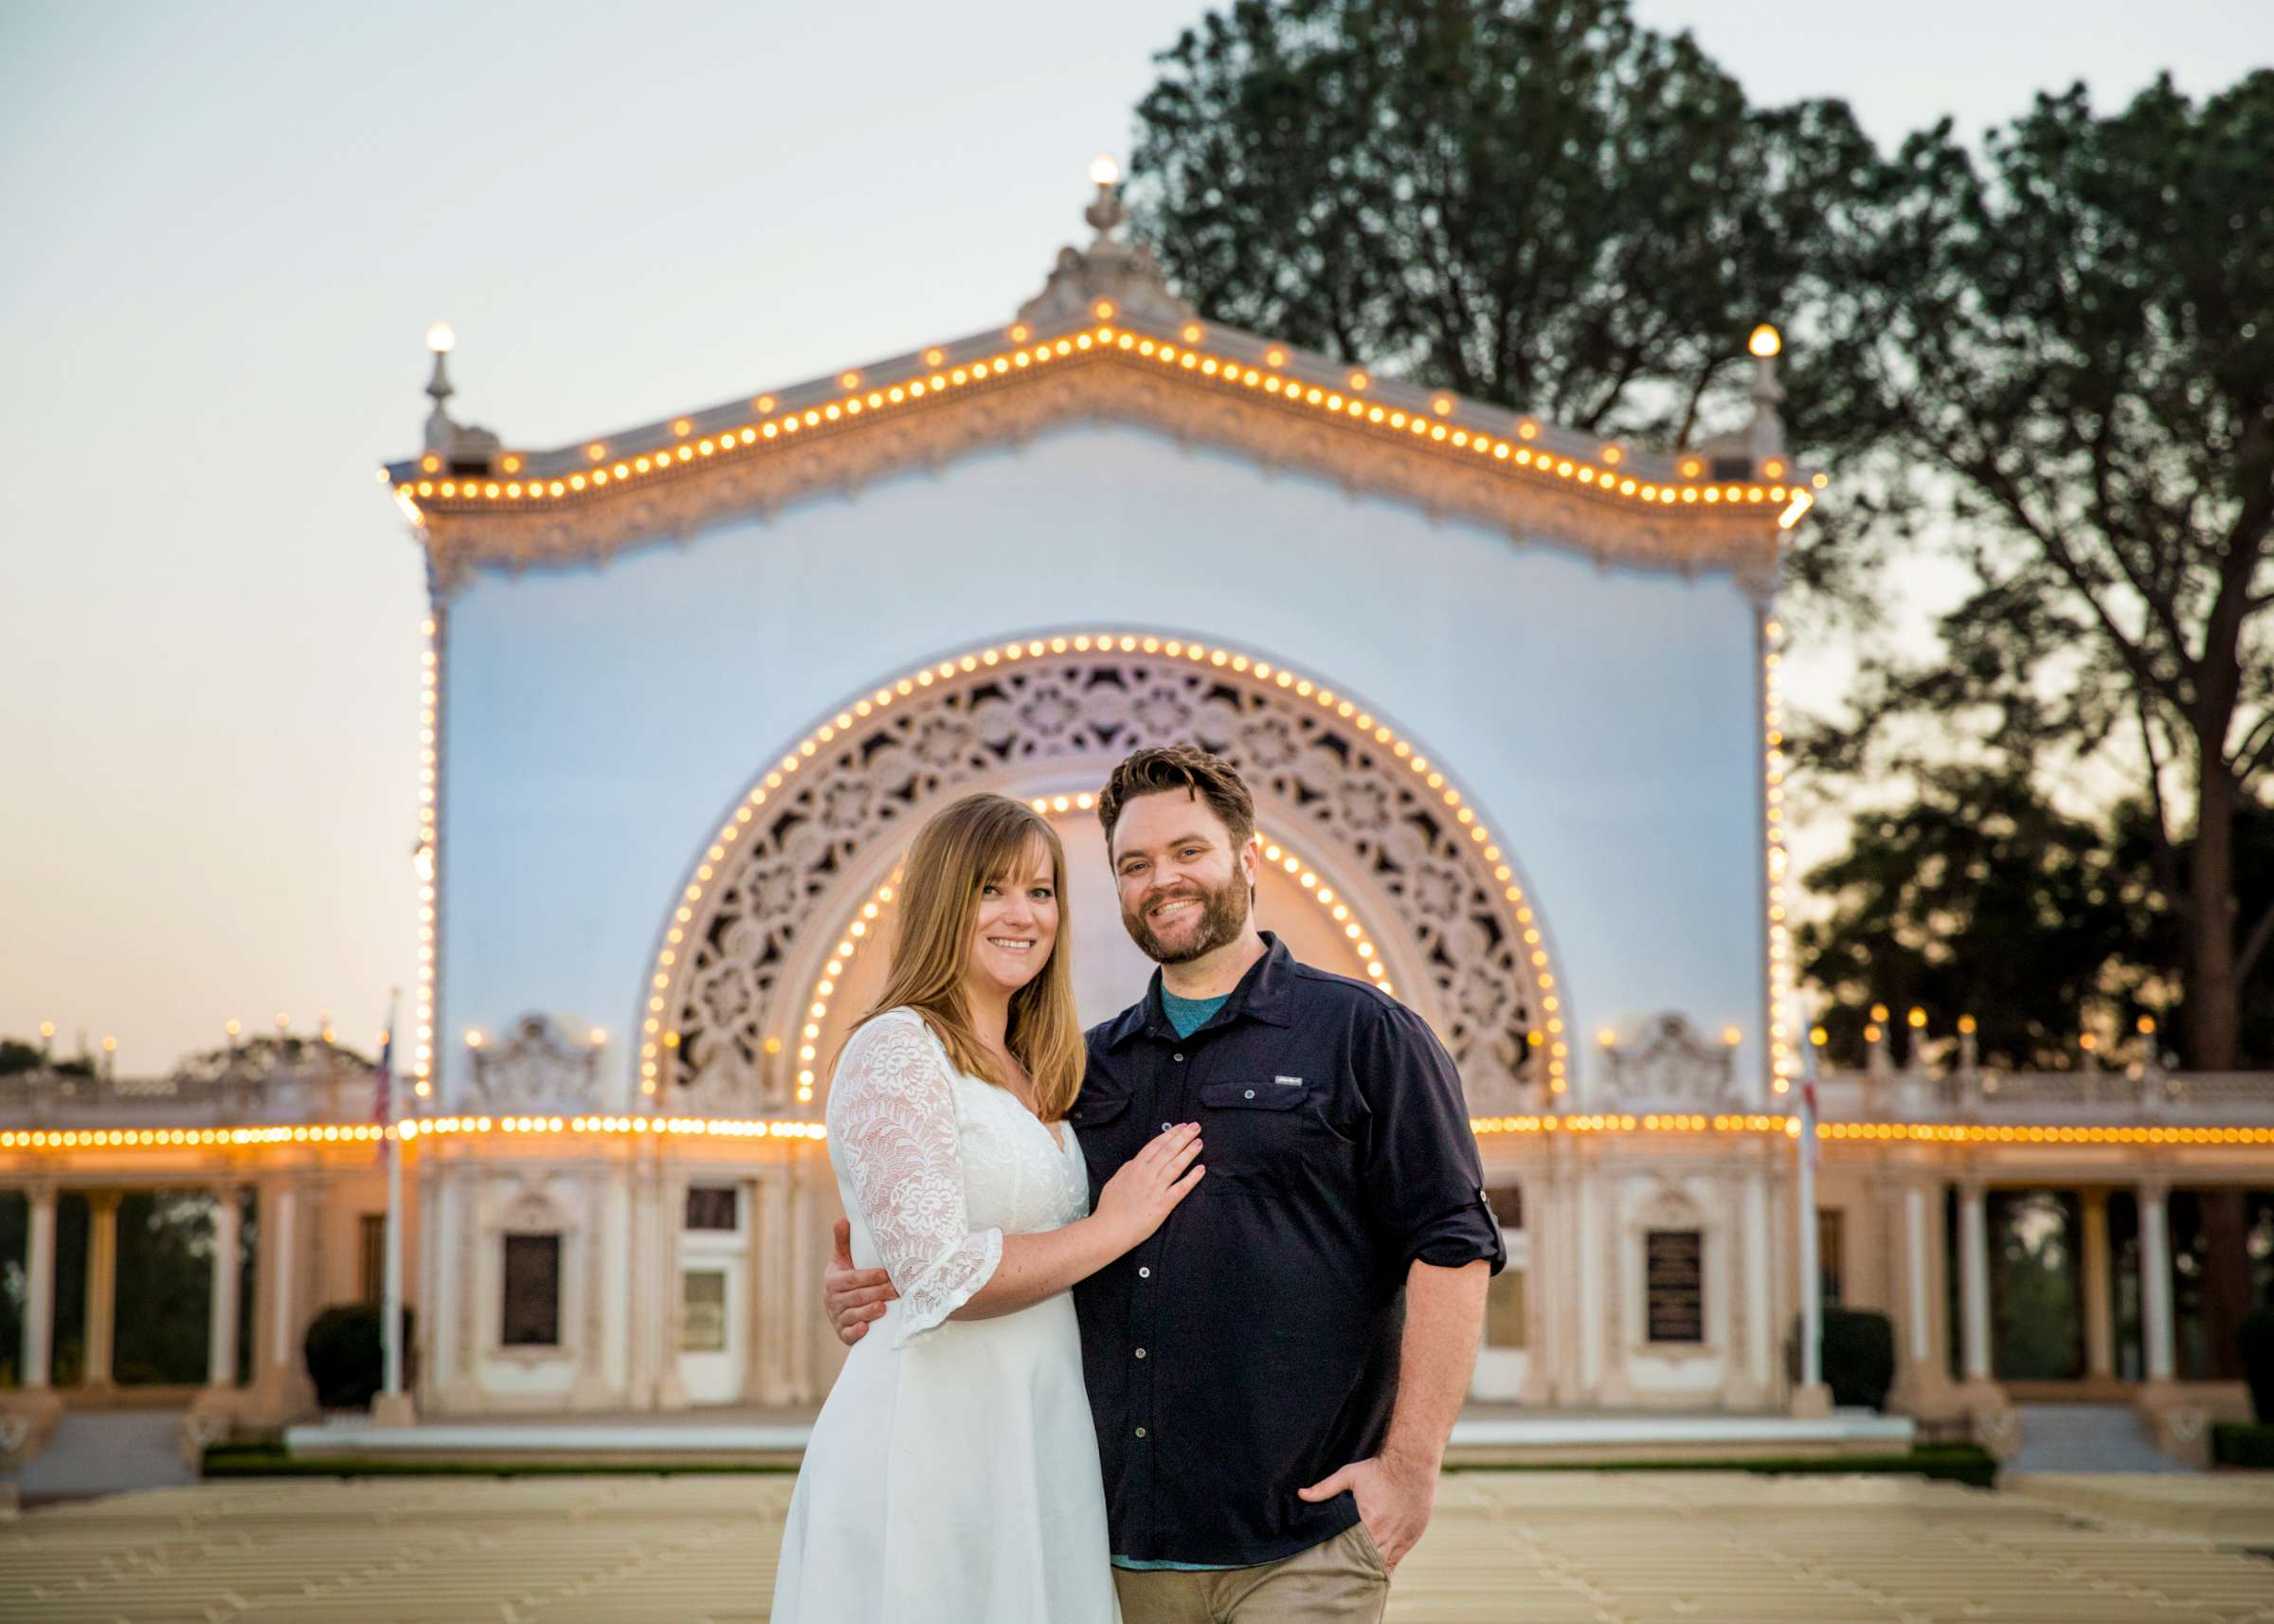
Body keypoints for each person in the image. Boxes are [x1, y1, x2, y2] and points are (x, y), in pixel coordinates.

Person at [827, 746, 1505, 1623]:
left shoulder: (1365, 1035)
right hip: (1106, 1547)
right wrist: (879, 1280)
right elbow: (989, 1214)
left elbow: (1453, 1246)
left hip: (1300, 1544)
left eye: (1189, 851)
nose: (1163, 880)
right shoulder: (1083, 1068)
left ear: (1246, 860)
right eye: (1135, 864)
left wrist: (1410, 1467)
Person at [771, 791, 1207, 1624]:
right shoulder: (897, 1047)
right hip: (935, 1439)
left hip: (1040, 1438)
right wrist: (1115, 1226)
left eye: (1041, 892)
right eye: (991, 889)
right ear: (943, 900)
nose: (1023, 915)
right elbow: (939, 1273)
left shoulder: (1043, 1067)